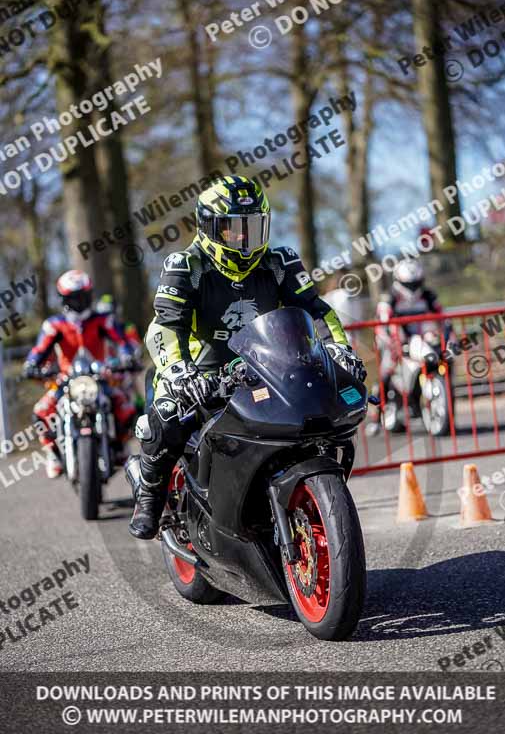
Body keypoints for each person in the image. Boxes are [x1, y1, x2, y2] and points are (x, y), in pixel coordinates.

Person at [129, 175, 366, 539]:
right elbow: (165, 325)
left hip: (267, 366)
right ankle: (149, 495)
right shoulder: (185, 265)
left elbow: (315, 311)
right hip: (201, 373)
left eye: (252, 228)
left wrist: (339, 351)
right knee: (167, 416)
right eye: (232, 229)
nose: (243, 238)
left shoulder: (279, 261)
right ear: (209, 227)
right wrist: (179, 372)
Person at [23, 270, 136, 478]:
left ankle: (120, 446)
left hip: (99, 377)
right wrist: (32, 365)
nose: (80, 301)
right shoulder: (54, 325)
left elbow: (122, 343)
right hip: (65, 380)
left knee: (126, 407)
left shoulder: (103, 320)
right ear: (64, 299)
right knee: (41, 412)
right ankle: (53, 453)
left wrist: (127, 357)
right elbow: (38, 351)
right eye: (74, 297)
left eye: (83, 296)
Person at [375, 259, 443, 395]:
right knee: (387, 366)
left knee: (443, 360)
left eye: (415, 284)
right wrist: (393, 343)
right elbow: (382, 324)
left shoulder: (428, 296)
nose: (412, 288)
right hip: (395, 342)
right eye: (408, 284)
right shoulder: (389, 298)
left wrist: (443, 337)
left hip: (421, 341)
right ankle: (379, 403)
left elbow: (442, 318)